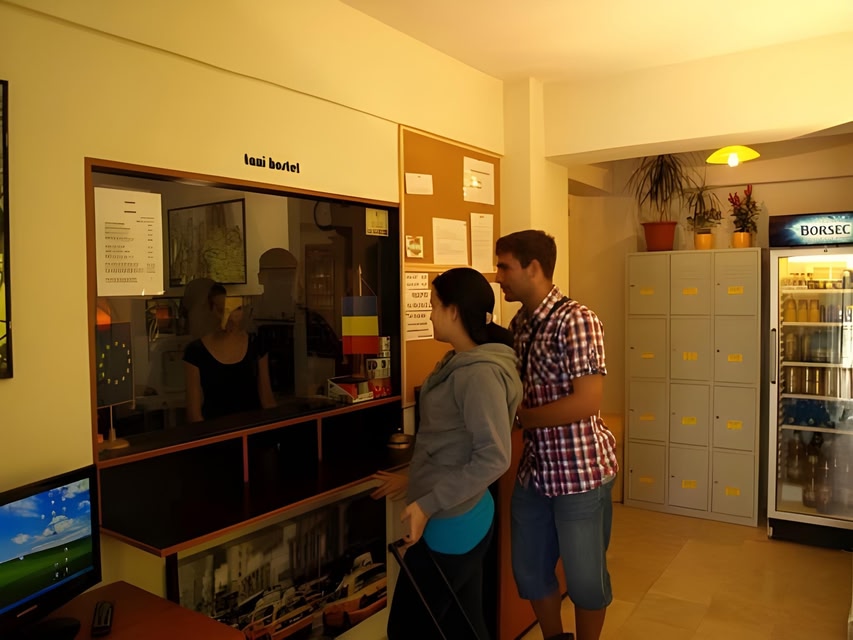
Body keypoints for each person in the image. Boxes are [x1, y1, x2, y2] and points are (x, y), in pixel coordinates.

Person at [371, 267, 522, 640]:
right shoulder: (459, 361)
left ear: (454, 311)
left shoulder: (478, 375)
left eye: (434, 305)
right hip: (456, 515)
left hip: (453, 521)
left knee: (405, 630)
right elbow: (450, 443)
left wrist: (426, 504)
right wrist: (414, 478)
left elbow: (494, 457)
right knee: (462, 627)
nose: (429, 314)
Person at [495, 230, 618, 640]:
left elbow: (586, 402)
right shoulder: (519, 324)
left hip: (580, 474)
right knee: (529, 571)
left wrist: (525, 418)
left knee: (585, 580)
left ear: (533, 268)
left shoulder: (576, 319)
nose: (499, 277)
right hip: (535, 472)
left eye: (505, 267)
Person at [183, 283, 276, 422]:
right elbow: (194, 415)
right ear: (211, 310)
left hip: (252, 430)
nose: (230, 318)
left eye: (237, 310)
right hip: (216, 431)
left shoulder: (256, 345)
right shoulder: (196, 352)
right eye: (223, 311)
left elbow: (267, 401)